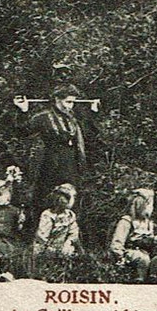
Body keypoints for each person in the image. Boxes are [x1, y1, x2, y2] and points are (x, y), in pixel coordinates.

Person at [13, 79, 99, 221]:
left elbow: (91, 135)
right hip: (50, 166)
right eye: (67, 102)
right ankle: (41, 233)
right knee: (47, 198)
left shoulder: (73, 118)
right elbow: (22, 131)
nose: (70, 106)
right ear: (57, 99)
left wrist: (93, 113)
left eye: (72, 102)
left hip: (71, 166)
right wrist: (23, 110)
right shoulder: (43, 117)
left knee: (70, 198)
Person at [109, 187, 157, 282]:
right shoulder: (127, 221)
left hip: (146, 251)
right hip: (131, 252)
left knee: (155, 259)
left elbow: (149, 239)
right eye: (150, 204)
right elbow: (117, 242)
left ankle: (153, 278)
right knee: (143, 260)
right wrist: (119, 257)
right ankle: (139, 280)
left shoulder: (148, 223)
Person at [0, 168, 27, 275]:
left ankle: (7, 272)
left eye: (1, 195)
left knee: (12, 255)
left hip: (9, 239)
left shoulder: (14, 210)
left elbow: (20, 228)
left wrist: (21, 222)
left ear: (9, 195)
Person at [32, 183, 80, 277]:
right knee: (46, 273)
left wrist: (68, 243)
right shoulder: (48, 215)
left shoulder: (70, 215)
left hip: (62, 250)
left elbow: (73, 232)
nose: (73, 200)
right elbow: (42, 237)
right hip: (46, 250)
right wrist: (54, 251)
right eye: (71, 197)